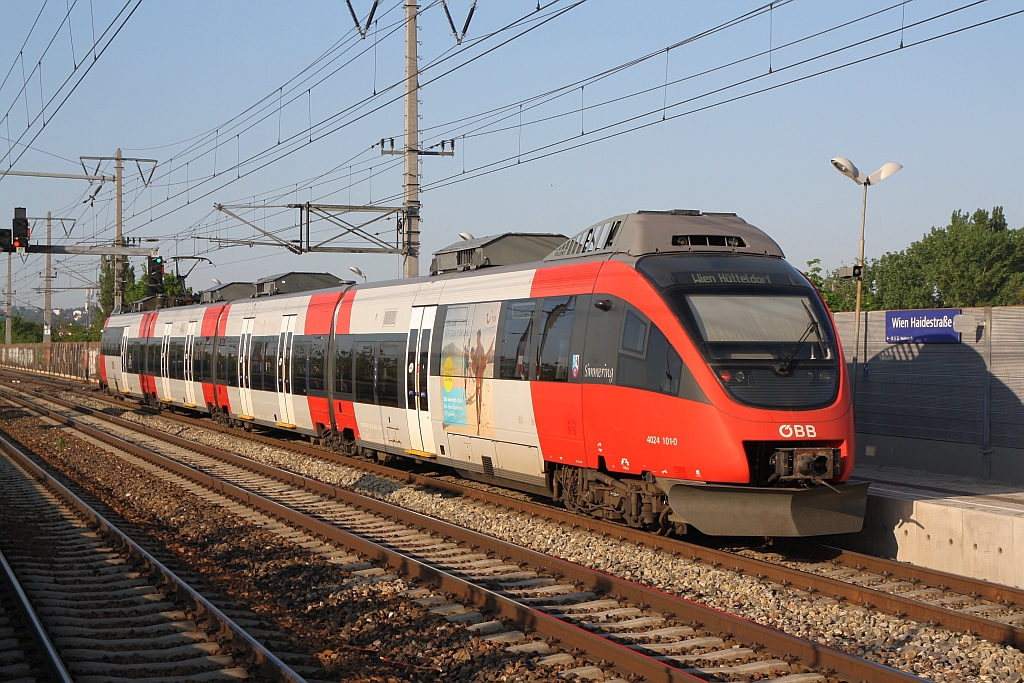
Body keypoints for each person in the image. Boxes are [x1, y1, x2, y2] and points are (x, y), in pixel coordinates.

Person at [468, 329, 494, 434]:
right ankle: (477, 420)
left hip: (480, 375)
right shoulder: (478, 349)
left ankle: (478, 419)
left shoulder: (481, 348)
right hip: (478, 374)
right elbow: (475, 359)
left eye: (478, 337)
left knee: (480, 396)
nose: (477, 339)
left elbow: (484, 359)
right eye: (477, 337)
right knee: (478, 394)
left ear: (480, 337)